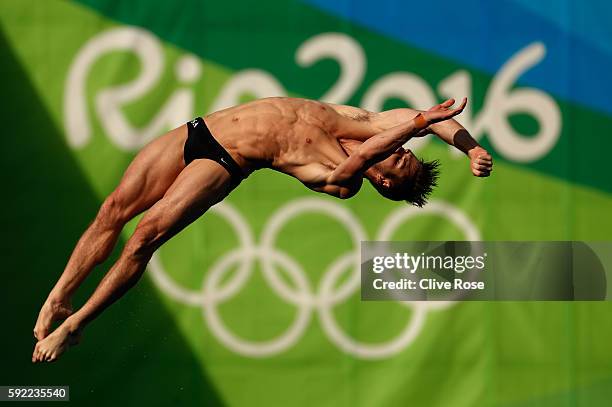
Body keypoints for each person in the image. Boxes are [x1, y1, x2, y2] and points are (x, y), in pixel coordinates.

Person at [32, 96, 492, 362]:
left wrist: (416, 125)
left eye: (402, 156)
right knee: (113, 208)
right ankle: (59, 295)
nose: (403, 148)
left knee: (144, 237)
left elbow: (385, 143)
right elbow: (435, 119)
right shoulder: (366, 119)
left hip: (225, 161)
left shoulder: (345, 179)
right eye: (406, 148)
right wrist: (470, 148)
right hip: (202, 130)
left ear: (385, 180)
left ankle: (76, 323)